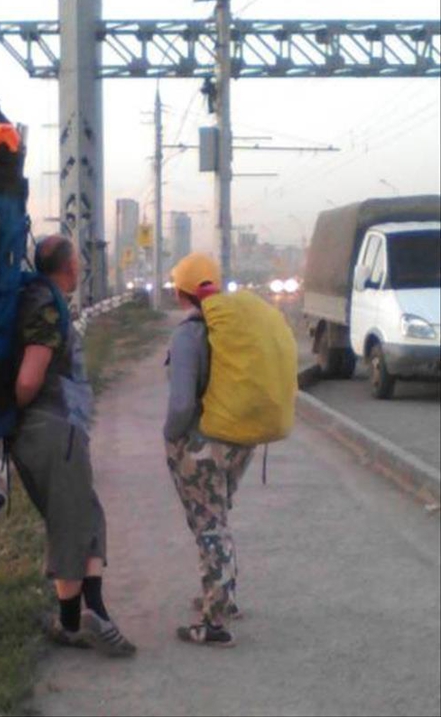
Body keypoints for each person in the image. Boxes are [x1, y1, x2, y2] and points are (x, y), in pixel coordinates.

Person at [10, 234, 136, 658]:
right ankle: (73, 621)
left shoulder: (47, 299)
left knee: (87, 515)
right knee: (70, 521)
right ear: (70, 268)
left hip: (63, 428)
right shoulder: (45, 306)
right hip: (53, 427)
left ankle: (92, 610)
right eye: (78, 263)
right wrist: (17, 415)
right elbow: (30, 377)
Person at [163, 253, 255, 647]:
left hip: (203, 446)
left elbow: (183, 403)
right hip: (240, 441)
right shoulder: (235, 327)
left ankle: (214, 622)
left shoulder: (188, 335)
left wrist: (170, 436)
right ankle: (223, 597)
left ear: (182, 292)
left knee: (208, 525)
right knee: (218, 517)